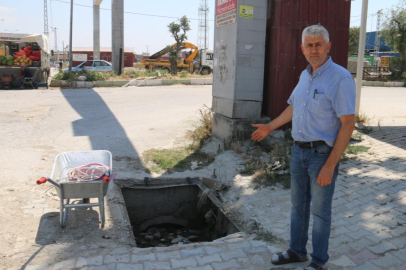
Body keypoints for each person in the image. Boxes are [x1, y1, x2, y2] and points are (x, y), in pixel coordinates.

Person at [251, 25, 355, 270]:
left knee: (320, 212)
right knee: (298, 206)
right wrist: (270, 127)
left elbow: (348, 124)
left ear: (328, 47)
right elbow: (294, 107)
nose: (314, 49)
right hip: (298, 152)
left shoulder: (340, 78)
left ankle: (319, 261)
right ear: (302, 49)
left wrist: (330, 165)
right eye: (309, 45)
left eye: (319, 44)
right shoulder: (304, 76)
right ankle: (297, 251)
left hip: (322, 155)